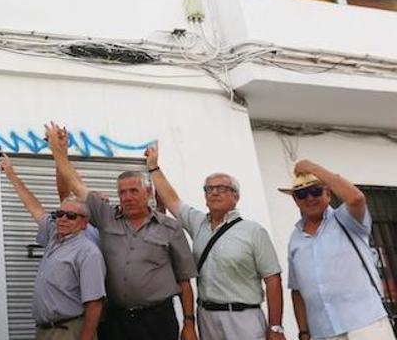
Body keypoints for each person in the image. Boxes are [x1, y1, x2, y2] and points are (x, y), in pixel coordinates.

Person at [45, 122, 197, 340]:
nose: (127, 197)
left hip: (157, 320)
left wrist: (189, 324)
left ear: (147, 192)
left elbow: (184, 280)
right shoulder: (106, 217)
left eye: (134, 191)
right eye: (122, 192)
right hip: (116, 321)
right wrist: (57, 151)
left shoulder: (169, 227)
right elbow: (75, 185)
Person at [145, 143, 285, 340]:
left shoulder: (254, 231)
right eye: (208, 189)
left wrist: (275, 327)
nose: (214, 192)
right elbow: (172, 200)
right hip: (207, 317)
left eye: (221, 188)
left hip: (244, 319)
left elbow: (273, 280)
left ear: (236, 196)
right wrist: (153, 167)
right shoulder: (198, 223)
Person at [282, 160, 396, 340]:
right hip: (323, 331)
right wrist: (304, 332)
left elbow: (356, 198)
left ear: (328, 193)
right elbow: (297, 291)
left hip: (366, 323)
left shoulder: (347, 220)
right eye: (302, 194)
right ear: (296, 200)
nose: (309, 198)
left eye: (315, 190)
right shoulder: (295, 240)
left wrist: (312, 168)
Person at [1, 153, 105, 340]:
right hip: (45, 331)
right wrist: (11, 175)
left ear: (84, 223)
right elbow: (33, 206)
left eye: (71, 216)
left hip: (68, 331)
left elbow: (95, 303)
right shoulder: (54, 236)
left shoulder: (88, 252)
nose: (64, 219)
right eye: (60, 214)